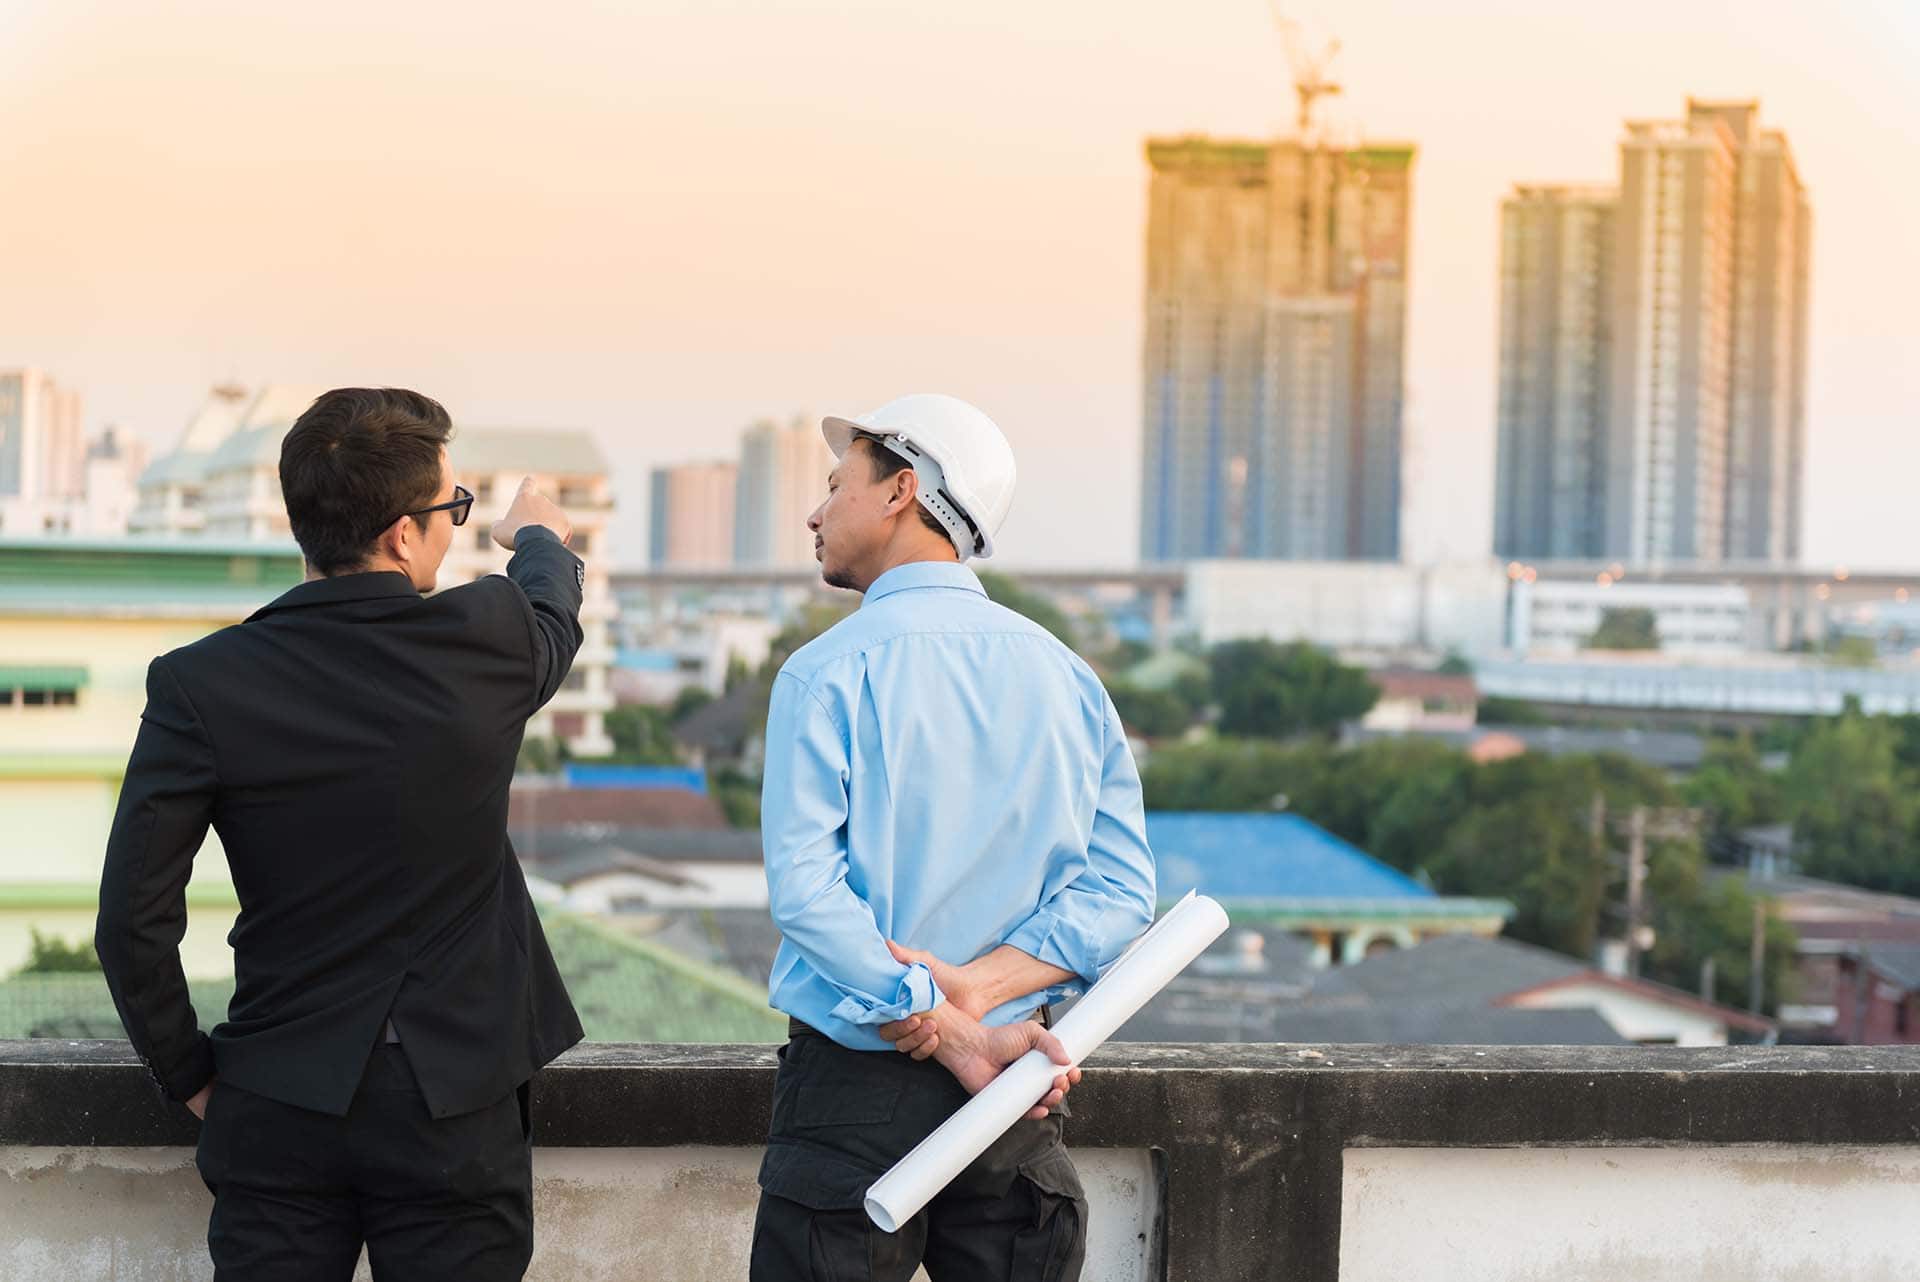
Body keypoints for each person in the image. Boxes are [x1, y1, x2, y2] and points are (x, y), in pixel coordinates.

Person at [95, 387, 586, 1281]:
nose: (454, 527)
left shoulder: (202, 684)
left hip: (278, 1094)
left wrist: (191, 1076)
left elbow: (132, 917)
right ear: (405, 533)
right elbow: (552, 609)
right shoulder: (489, 638)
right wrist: (541, 536)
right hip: (455, 1100)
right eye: (453, 510)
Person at [751, 393, 1157, 1282]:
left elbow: (807, 895)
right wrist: (981, 1001)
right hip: (1016, 1091)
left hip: (855, 1096)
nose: (816, 512)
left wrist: (938, 1012)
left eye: (834, 485)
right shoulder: (1067, 675)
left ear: (901, 490)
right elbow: (1122, 894)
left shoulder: (824, 673)